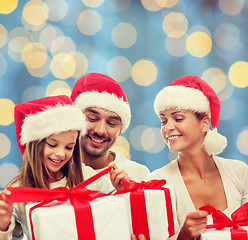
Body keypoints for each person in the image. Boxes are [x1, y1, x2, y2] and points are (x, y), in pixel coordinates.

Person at [0, 95, 127, 240]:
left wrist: (122, 191)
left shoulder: (86, 176)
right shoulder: (18, 191)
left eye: (69, 147)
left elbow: (116, 213)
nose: (60, 154)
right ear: (35, 144)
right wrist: (3, 226)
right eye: (52, 145)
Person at [145, 75, 248, 240]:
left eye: (178, 118)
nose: (168, 127)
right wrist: (183, 237)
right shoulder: (157, 182)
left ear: (205, 123)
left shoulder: (240, 172)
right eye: (163, 121)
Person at [71, 72, 150, 187]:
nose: (101, 130)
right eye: (92, 118)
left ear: (120, 131)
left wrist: (127, 195)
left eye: (111, 123)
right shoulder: (54, 169)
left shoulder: (139, 175)